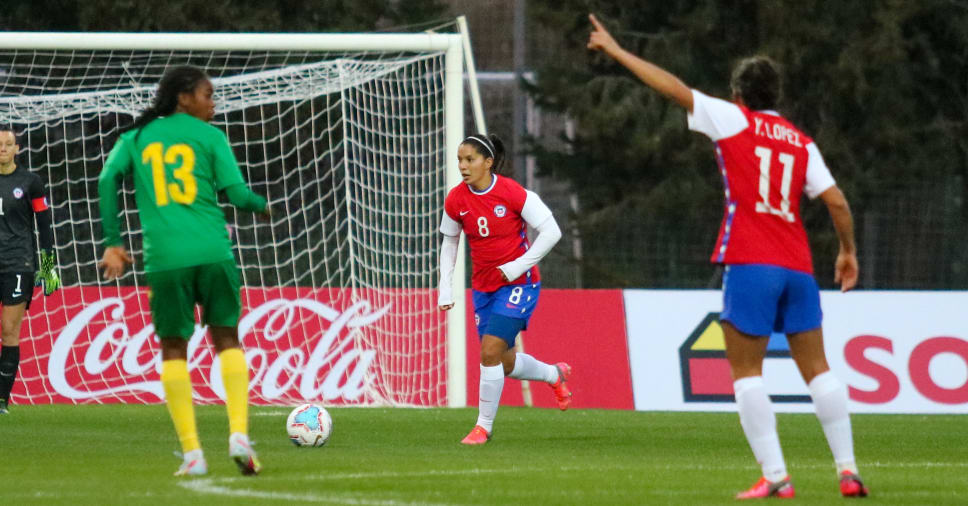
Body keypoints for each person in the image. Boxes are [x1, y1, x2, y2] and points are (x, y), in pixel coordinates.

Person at [588, 14, 868, 499]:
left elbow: (672, 87)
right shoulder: (802, 143)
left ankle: (777, 476)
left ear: (738, 94)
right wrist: (846, 251)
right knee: (818, 369)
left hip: (751, 261)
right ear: (776, 94)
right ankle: (848, 470)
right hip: (798, 266)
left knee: (746, 373)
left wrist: (615, 50)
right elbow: (837, 202)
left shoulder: (733, 118)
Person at [97, 65, 269, 477]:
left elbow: (107, 179)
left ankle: (193, 454)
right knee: (227, 337)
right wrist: (263, 206)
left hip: (165, 260)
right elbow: (238, 195)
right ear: (184, 98)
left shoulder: (136, 138)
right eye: (208, 95)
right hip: (213, 253)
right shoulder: (211, 137)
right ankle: (239, 434)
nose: (213, 103)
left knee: (173, 348)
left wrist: (114, 243)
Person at [437, 133, 571, 445]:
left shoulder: (511, 192)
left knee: (489, 351)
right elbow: (449, 242)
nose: (463, 166)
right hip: (484, 288)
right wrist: (445, 287)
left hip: (520, 284)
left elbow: (552, 231)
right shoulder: (456, 199)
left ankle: (483, 427)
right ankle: (555, 375)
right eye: (460, 159)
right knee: (504, 362)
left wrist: (520, 265)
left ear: (488, 162)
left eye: (469, 160)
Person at [0, 127, 60, 415]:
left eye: (8, 144)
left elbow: (45, 226)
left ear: (17, 149)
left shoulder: (30, 182)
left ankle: (1, 399)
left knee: (9, 331)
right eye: (0, 144)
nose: (3, 149)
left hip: (17, 264)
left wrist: (48, 268)